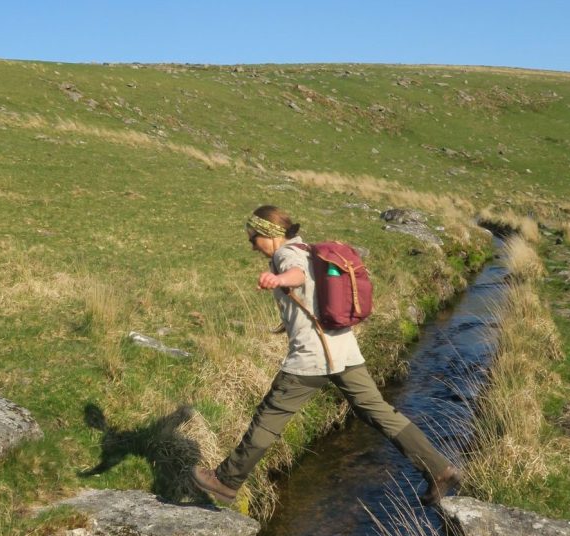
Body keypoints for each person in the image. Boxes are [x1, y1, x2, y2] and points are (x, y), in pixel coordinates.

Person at [191, 205, 460, 507]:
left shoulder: (285, 256)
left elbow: (297, 275)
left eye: (253, 238)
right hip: (345, 351)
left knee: (269, 419)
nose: (251, 244)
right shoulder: (307, 248)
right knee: (380, 412)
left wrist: (278, 280)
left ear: (269, 233)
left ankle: (226, 482)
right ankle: (439, 469)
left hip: (312, 359)